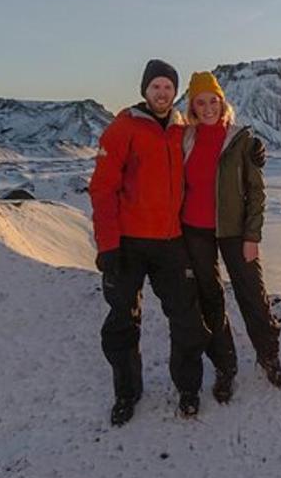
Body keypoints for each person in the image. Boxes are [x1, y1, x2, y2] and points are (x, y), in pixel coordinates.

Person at [89, 59, 210, 425]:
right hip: (128, 243)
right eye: (156, 86)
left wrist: (249, 152)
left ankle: (188, 388)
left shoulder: (181, 129)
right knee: (123, 321)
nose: (162, 93)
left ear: (175, 93)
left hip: (171, 242)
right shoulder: (122, 129)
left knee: (187, 319)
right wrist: (108, 246)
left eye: (168, 87)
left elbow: (213, 146)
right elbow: (102, 189)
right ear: (145, 90)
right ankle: (127, 393)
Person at [180, 71, 281, 405]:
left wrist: (252, 235)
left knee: (252, 294)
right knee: (210, 300)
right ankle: (225, 366)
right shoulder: (183, 138)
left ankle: (268, 355)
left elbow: (256, 192)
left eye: (214, 100)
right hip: (194, 230)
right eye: (201, 102)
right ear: (192, 106)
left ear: (222, 102)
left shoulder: (241, 140)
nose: (209, 107)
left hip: (235, 231)